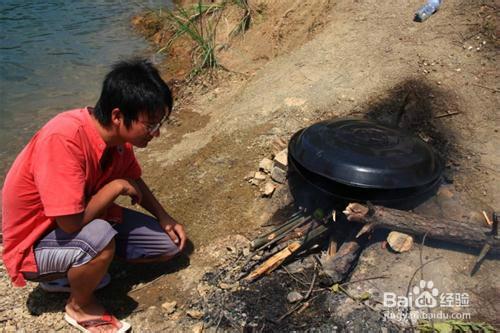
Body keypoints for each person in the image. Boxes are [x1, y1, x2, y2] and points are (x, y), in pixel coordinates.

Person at [1, 59, 187, 333]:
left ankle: (79, 269)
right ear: (117, 116)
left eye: (159, 123)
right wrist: (115, 187)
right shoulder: (64, 137)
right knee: (100, 236)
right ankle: (78, 305)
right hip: (36, 241)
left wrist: (164, 216)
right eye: (150, 125)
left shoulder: (118, 140)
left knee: (167, 245)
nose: (156, 133)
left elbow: (133, 177)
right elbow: (71, 224)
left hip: (78, 221)